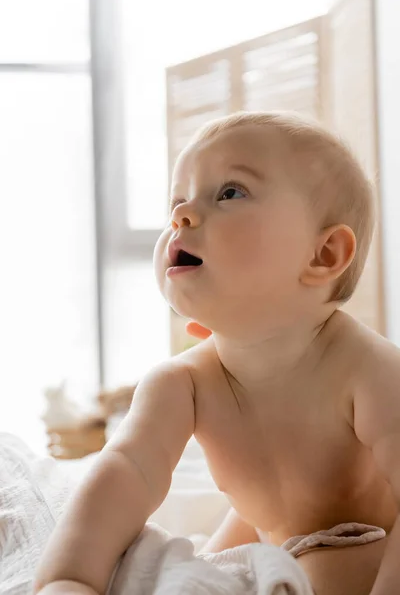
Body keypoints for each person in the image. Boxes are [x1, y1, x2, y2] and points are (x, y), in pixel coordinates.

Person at [34, 111, 400, 595]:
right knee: (193, 573)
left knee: (336, 569)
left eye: (230, 192)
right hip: (264, 536)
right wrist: (69, 577)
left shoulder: (369, 370)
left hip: (360, 539)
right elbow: (127, 471)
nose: (181, 216)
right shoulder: (181, 382)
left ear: (324, 255)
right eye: (177, 201)